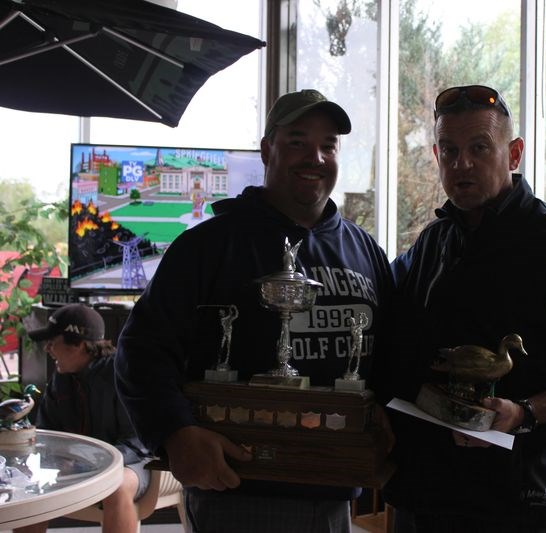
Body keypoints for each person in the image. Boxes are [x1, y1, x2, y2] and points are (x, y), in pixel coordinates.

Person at [114, 89, 393, 533]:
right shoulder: (208, 245)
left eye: (328, 145)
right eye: (297, 141)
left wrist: (387, 425)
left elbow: (392, 352)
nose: (314, 157)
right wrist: (175, 432)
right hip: (240, 492)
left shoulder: (364, 251)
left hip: (336, 493)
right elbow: (142, 349)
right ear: (268, 150)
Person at [378, 85, 546, 532]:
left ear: (513, 155)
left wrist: (524, 413)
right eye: (450, 151)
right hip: (421, 496)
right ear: (436, 155)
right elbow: (377, 297)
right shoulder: (434, 242)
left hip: (512, 507)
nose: (462, 164)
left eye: (479, 148)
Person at [15, 304, 150, 533]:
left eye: (53, 342)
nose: (47, 348)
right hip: (78, 466)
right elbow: (47, 434)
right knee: (28, 485)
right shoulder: (60, 379)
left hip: (132, 465)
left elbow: (138, 444)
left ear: (78, 344)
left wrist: (88, 460)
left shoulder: (122, 375)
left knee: (116, 489)